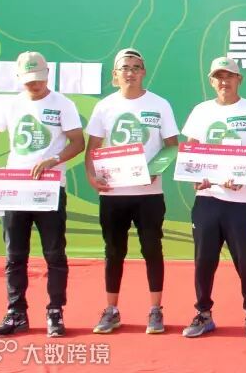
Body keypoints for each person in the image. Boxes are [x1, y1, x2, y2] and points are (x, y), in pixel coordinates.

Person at [0, 51, 85, 337]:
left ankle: (55, 312)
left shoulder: (63, 104)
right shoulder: (11, 104)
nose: (34, 84)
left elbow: (78, 142)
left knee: (54, 253)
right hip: (16, 189)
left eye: (38, 78)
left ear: (48, 74)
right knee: (14, 254)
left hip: (49, 188)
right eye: (28, 80)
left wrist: (54, 159)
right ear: (19, 78)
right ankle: (16, 312)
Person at [85, 48, 179, 335]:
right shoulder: (105, 106)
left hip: (149, 194)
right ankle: (111, 310)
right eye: (125, 68)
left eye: (136, 67)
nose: (130, 72)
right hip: (113, 193)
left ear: (144, 72)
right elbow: (92, 148)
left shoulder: (159, 104)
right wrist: (92, 177)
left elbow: (172, 146)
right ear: (115, 74)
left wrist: (155, 170)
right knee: (114, 251)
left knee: (152, 249)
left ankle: (155, 310)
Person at [180, 56, 246, 339]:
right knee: (203, 261)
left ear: (239, 79)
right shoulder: (201, 111)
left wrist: (243, 174)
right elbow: (191, 149)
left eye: (229, 76)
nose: (224, 81)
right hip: (207, 199)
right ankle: (203, 313)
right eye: (219, 77)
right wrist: (196, 176)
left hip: (240, 202)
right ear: (211, 81)